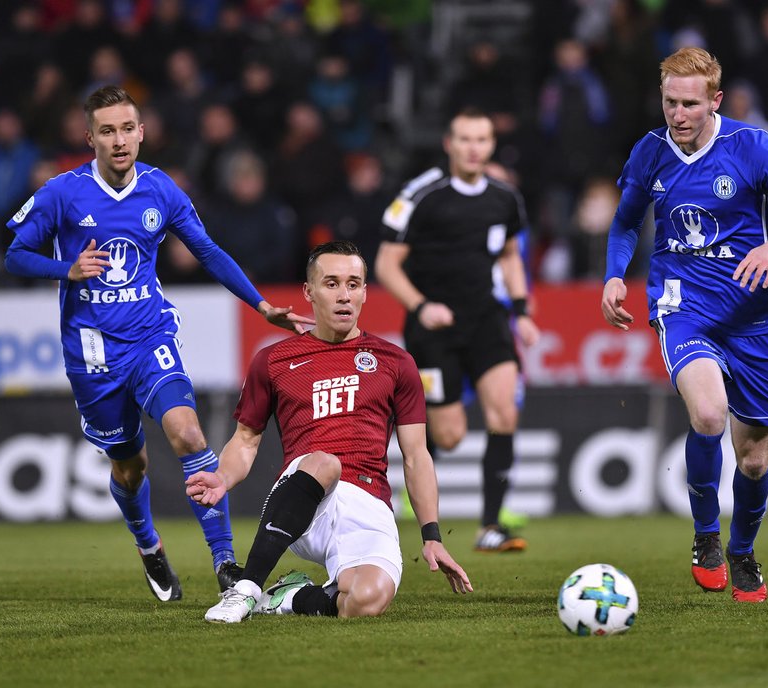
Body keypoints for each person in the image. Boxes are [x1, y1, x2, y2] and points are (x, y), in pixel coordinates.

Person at [3, 85, 313, 602]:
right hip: (93, 353)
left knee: (190, 434)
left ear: (142, 133)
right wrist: (67, 269)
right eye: (107, 131)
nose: (119, 140)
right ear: (90, 138)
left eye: (128, 128)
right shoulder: (63, 192)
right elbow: (15, 254)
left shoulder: (160, 189)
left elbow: (208, 251)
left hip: (150, 336)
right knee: (130, 466)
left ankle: (225, 564)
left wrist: (260, 306)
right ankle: (148, 544)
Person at [600, 47, 768, 602]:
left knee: (755, 458)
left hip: (757, 318)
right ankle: (706, 536)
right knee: (708, 413)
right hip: (683, 305)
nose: (677, 114)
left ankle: (741, 550)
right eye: (669, 102)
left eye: (689, 103)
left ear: (715, 101)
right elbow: (623, 224)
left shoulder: (754, 147)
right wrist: (615, 276)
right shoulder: (649, 152)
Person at [190, 240, 472, 623]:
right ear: (309, 292)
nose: (344, 296)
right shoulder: (273, 360)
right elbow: (245, 440)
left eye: (354, 284)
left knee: (365, 601)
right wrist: (223, 478)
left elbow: (416, 456)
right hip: (307, 497)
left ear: (366, 293)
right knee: (325, 462)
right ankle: (245, 590)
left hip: (369, 502)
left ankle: (292, 597)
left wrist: (432, 536)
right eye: (332, 283)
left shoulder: (397, 362)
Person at [374, 107, 540, 553]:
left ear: (491, 145)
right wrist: (422, 306)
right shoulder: (422, 194)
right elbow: (386, 264)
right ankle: (408, 464)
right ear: (449, 144)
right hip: (434, 331)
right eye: (465, 139)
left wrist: (521, 311)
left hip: (487, 320)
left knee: (504, 412)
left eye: (482, 140)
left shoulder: (505, 198)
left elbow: (507, 255)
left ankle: (490, 527)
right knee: (450, 434)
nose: (473, 148)